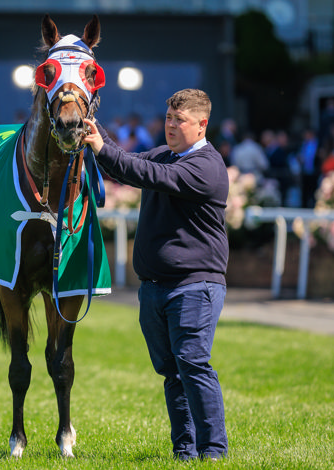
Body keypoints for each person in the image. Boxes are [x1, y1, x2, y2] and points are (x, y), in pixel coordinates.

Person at [84, 88, 228, 461]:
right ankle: (185, 450)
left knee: (192, 362)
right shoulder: (167, 155)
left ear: (202, 124)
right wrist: (89, 123)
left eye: (179, 120)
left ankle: (213, 452)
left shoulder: (206, 166)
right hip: (155, 287)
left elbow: (145, 172)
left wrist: (102, 146)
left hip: (195, 285)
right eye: (168, 118)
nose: (171, 126)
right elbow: (123, 163)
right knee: (172, 371)